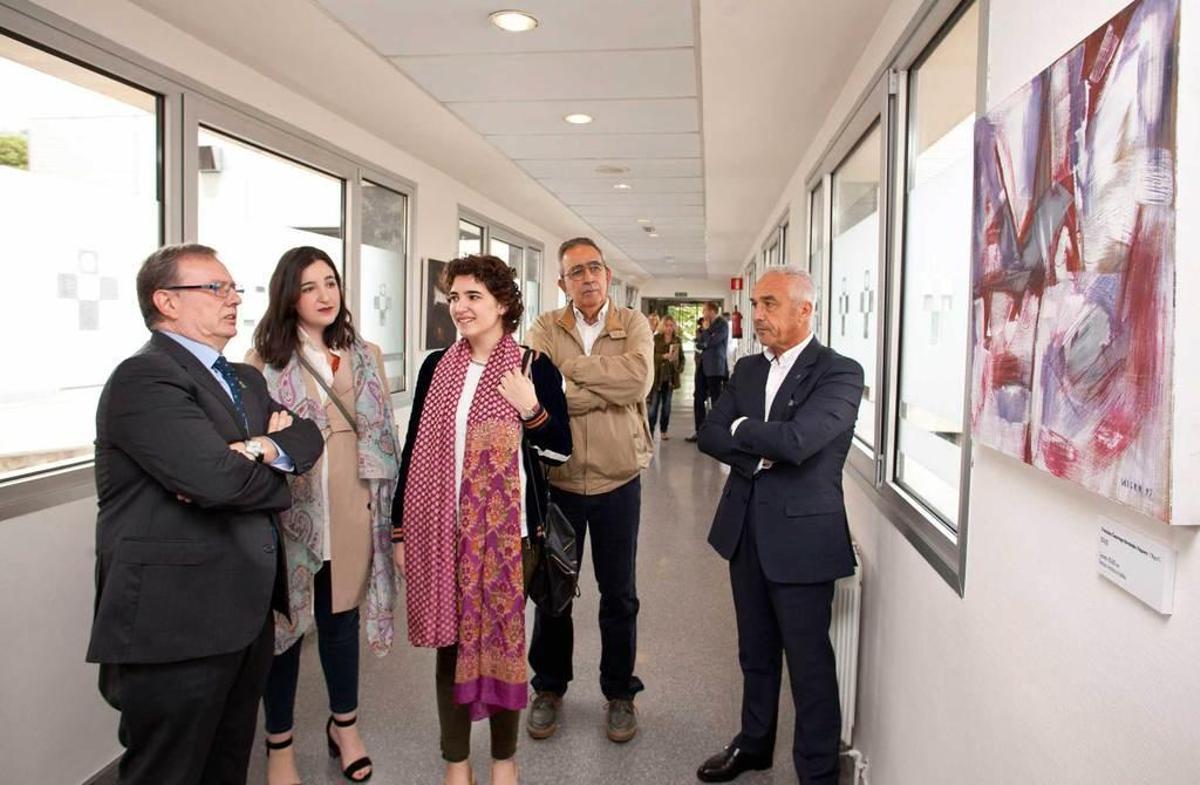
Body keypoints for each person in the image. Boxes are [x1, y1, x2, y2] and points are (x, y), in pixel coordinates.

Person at [87, 244, 324, 785]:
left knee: (227, 764)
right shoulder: (144, 378)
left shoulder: (245, 379)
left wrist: (257, 449)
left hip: (244, 616)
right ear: (166, 301)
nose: (234, 298)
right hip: (177, 624)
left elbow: (309, 437)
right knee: (168, 771)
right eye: (216, 288)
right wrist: (265, 465)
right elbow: (217, 481)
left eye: (233, 287)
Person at [392, 254, 571, 785]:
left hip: (510, 536)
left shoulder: (532, 367)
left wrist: (532, 409)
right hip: (441, 532)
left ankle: (503, 760)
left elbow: (561, 451)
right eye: (454, 297)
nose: (461, 307)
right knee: (450, 648)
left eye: (474, 296)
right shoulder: (435, 367)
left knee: (502, 644)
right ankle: (456, 762)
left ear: (503, 304)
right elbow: (413, 451)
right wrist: (401, 530)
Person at [695, 268, 863, 785]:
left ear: (804, 310)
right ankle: (754, 744)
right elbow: (709, 434)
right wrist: (758, 448)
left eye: (769, 303)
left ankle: (817, 773)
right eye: (756, 304)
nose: (757, 314)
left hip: (802, 539)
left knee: (809, 664)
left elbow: (798, 442)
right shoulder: (748, 369)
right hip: (744, 530)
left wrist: (743, 428)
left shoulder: (839, 372)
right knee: (755, 653)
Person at [246, 246, 400, 785]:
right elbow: (254, 442)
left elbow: (383, 434)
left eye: (330, 283)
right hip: (293, 511)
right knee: (284, 629)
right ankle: (280, 745)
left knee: (341, 623)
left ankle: (345, 727)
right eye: (309, 286)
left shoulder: (365, 354)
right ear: (288, 295)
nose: (324, 295)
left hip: (353, 510)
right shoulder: (262, 362)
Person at [524, 237, 653, 744]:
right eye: (576, 272)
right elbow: (538, 395)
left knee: (619, 594)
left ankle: (620, 692)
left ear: (608, 273)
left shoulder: (633, 324)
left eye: (594, 267)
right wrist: (603, 391)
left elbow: (638, 383)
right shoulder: (543, 327)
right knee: (552, 591)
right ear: (562, 283)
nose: (587, 277)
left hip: (619, 481)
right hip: (558, 484)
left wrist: (571, 372)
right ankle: (549, 686)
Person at [686, 303, 729, 446]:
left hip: (715, 368)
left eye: (704, 311)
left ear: (712, 311)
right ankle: (700, 431)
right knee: (698, 398)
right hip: (702, 366)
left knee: (716, 400)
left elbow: (712, 342)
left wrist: (706, 331)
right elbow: (700, 343)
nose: (703, 314)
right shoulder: (705, 325)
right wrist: (706, 335)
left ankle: (717, 432)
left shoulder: (722, 324)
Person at [647, 315, 684, 440]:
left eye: (671, 325)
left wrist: (678, 367)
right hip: (657, 377)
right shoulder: (655, 339)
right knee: (653, 407)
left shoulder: (677, 340)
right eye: (666, 325)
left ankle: (664, 430)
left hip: (670, 378)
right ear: (663, 326)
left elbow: (682, 358)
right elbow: (650, 355)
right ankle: (650, 431)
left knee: (666, 407)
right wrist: (663, 356)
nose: (669, 328)